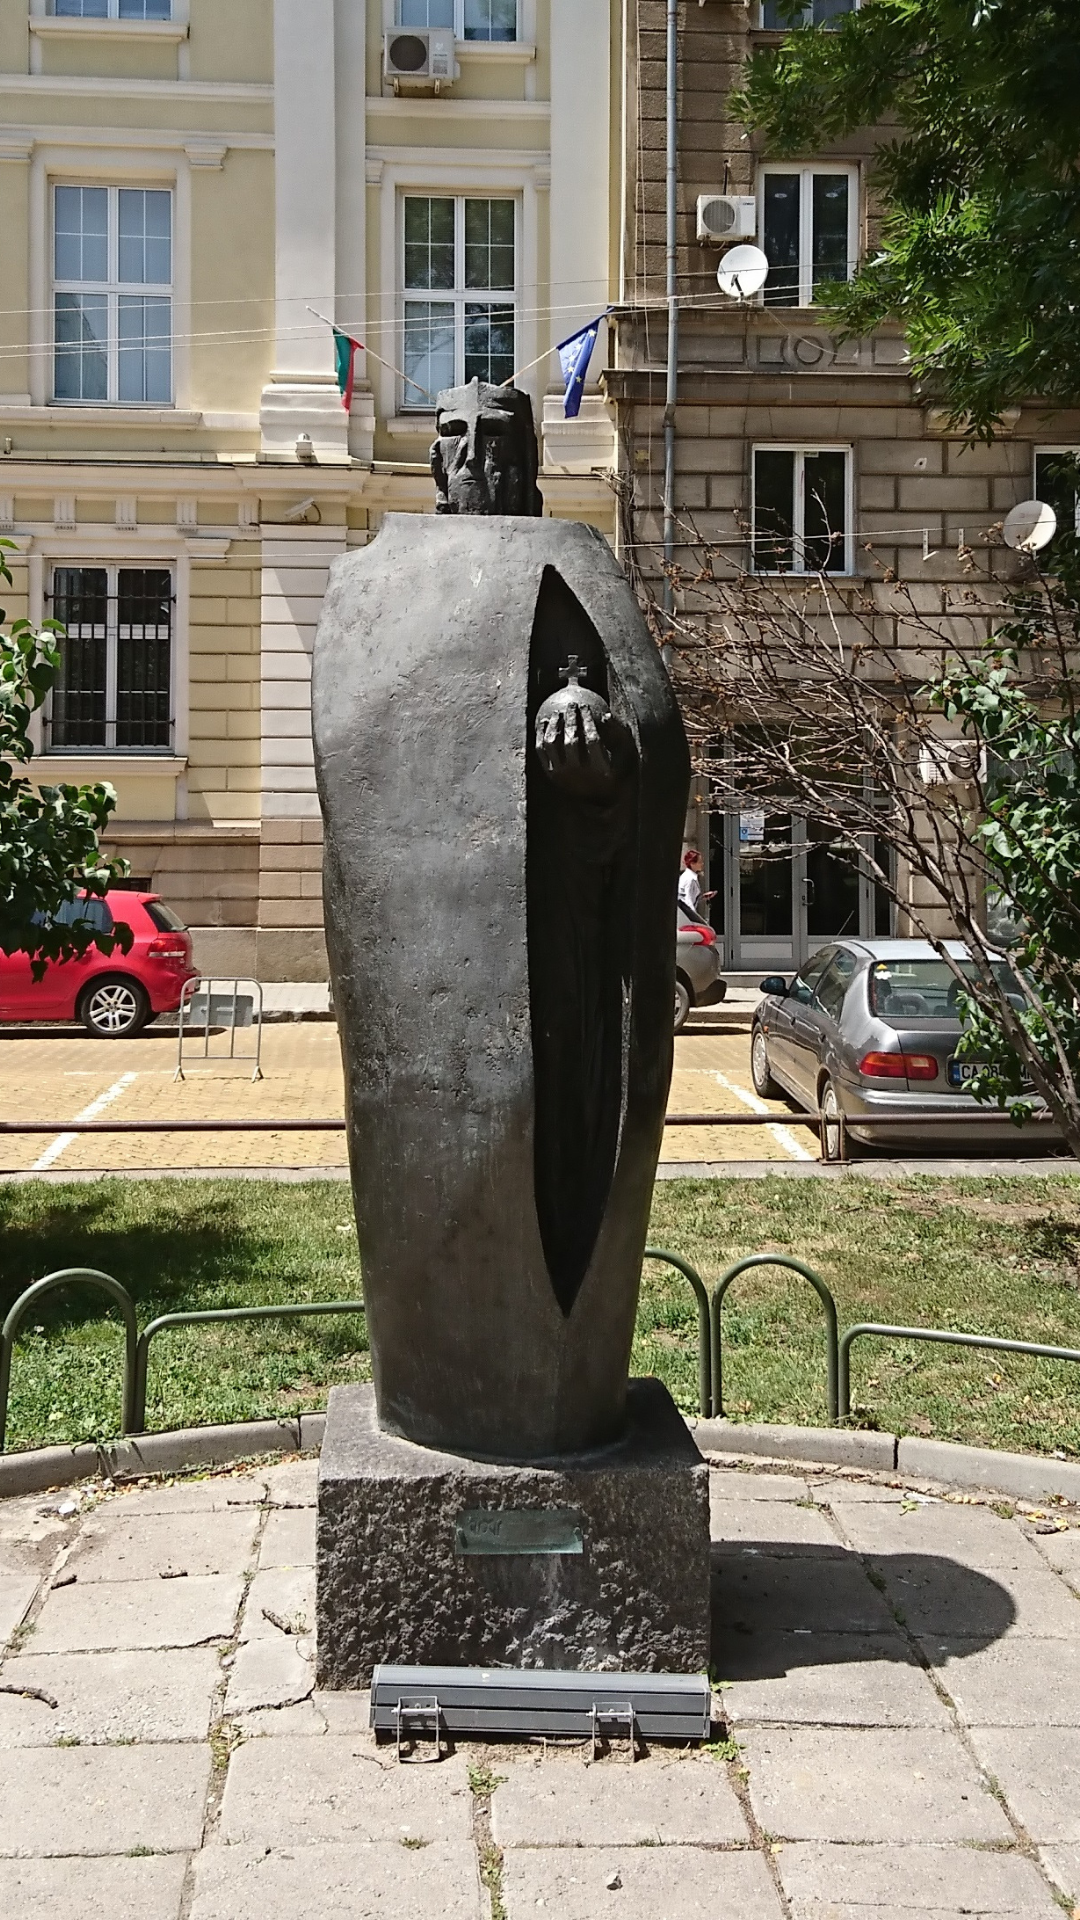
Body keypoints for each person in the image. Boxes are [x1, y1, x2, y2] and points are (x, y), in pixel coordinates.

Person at [678, 847, 715, 915]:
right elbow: (687, 901)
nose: (702, 864)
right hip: (687, 916)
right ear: (692, 863)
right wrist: (694, 919)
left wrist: (701, 897)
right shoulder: (690, 879)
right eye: (700, 862)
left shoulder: (688, 876)